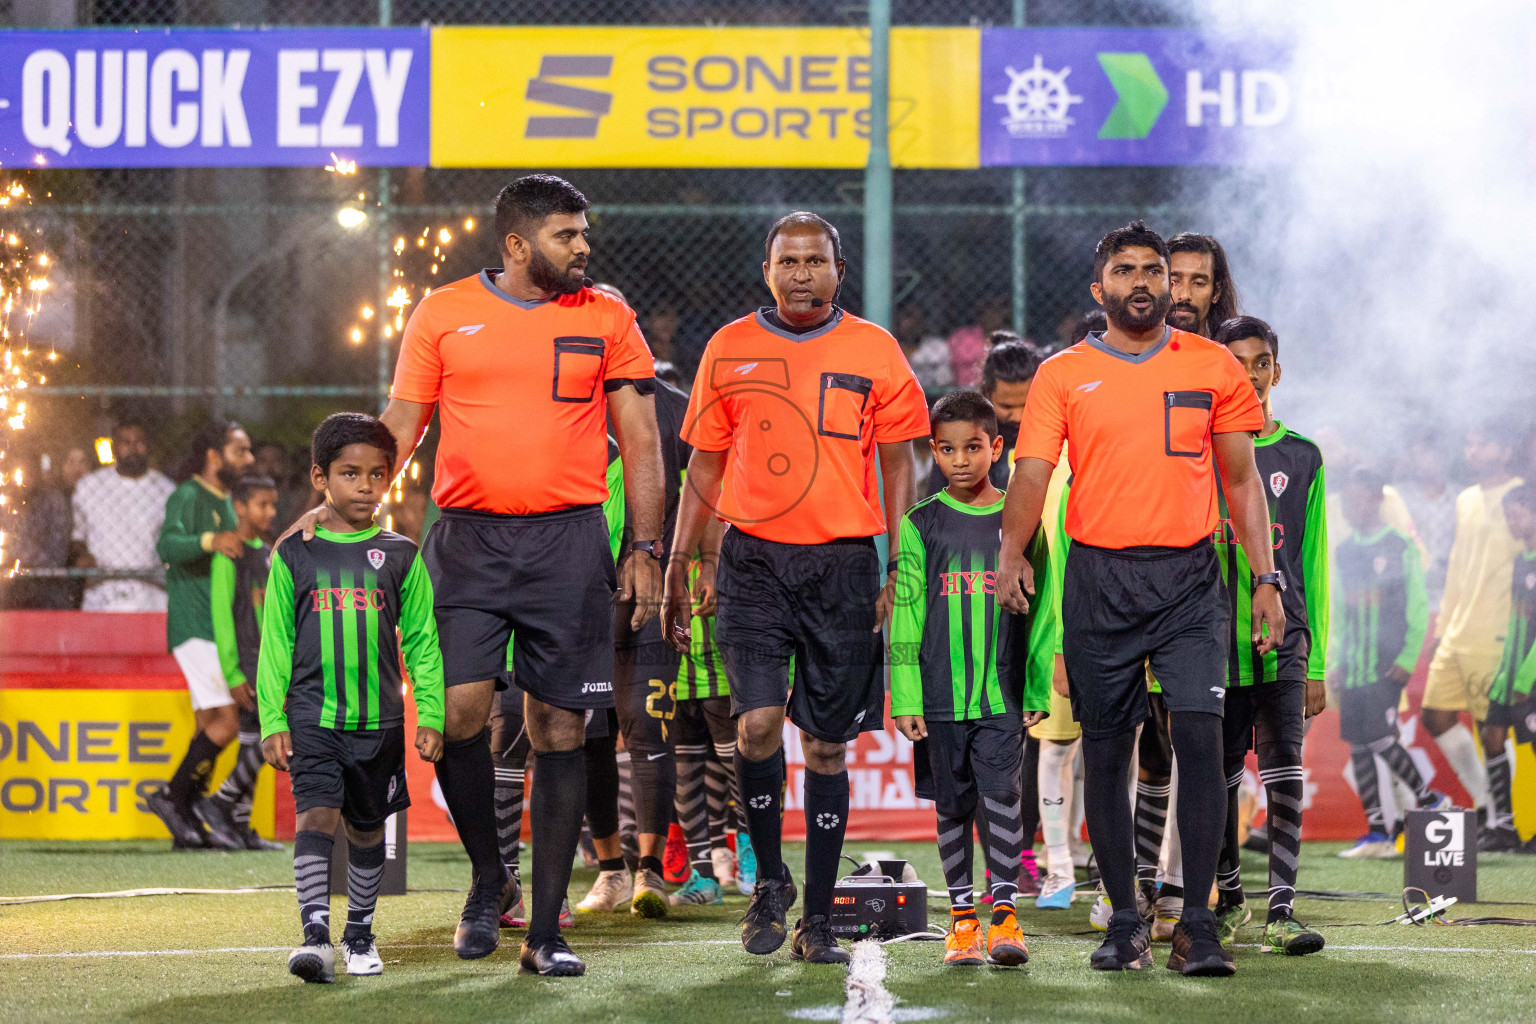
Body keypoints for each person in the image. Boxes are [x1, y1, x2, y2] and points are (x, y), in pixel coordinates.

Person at [295, 174, 665, 976]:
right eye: (567, 236)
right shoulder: (442, 312)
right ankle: (489, 878)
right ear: (517, 245)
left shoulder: (608, 315)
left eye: (583, 233)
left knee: (561, 730)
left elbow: (640, 437)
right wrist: (333, 507)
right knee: (459, 715)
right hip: (463, 543)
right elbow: (400, 426)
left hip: (569, 545)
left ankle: (545, 934)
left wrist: (646, 548)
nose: (583, 248)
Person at [997, 221, 1282, 977]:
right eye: (1126, 270)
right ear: (1101, 289)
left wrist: (1265, 581)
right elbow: (1030, 473)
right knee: (1109, 750)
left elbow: (1243, 481)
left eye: (1154, 269)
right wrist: (1009, 551)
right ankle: (1124, 920)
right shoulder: (1062, 373)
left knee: (1198, 739)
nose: (1144, 282)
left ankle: (1195, 923)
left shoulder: (1214, 365)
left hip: (1191, 581)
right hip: (1099, 580)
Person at [662, 211, 929, 964]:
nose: (801, 272)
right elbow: (704, 468)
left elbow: (902, 462)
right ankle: (769, 882)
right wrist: (683, 561)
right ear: (767, 269)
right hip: (751, 562)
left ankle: (817, 918)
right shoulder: (728, 346)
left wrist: (899, 560)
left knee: (826, 747)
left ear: (839, 271)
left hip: (843, 565)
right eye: (788, 259)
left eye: (815, 260)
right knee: (752, 726)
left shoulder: (874, 349)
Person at [256, 413, 446, 983]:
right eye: (349, 473)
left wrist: (430, 710)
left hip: (379, 721)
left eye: (377, 475)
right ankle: (315, 936)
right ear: (320, 478)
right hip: (314, 716)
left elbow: (421, 641)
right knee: (317, 814)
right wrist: (273, 716)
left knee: (367, 830)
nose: (365, 486)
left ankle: (359, 933)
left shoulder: (402, 556)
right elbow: (276, 643)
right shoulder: (296, 554)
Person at [890, 389, 1053, 967]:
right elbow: (906, 613)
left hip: (1001, 693)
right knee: (952, 807)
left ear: (997, 447)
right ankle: (961, 919)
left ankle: (1005, 918)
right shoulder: (919, 525)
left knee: (1002, 797)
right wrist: (904, 694)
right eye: (948, 449)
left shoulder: (1021, 520)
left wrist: (1036, 685)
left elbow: (1044, 611)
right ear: (934, 452)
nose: (961, 460)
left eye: (974, 447)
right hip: (937, 696)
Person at [1206, 316, 1329, 954]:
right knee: (1219, 776)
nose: (1251, 374)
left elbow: (1313, 564)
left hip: (1286, 641)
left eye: (1261, 363)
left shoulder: (1302, 455)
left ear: (1275, 371)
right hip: (1215, 643)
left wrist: (1316, 660)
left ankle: (1281, 908)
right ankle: (1229, 899)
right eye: (1238, 363)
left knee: (1285, 771)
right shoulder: (1201, 449)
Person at [573, 281, 692, 921]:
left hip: (652, 598)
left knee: (650, 731)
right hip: (579, 600)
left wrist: (687, 568)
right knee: (590, 735)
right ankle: (609, 869)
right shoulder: (565, 406)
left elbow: (704, 495)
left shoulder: (673, 409)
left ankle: (652, 872)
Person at [143, 419, 255, 847]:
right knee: (228, 721)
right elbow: (166, 547)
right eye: (239, 451)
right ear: (214, 456)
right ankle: (173, 798)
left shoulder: (228, 500)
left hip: (218, 628)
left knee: (208, 722)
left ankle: (184, 816)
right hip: (196, 625)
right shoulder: (188, 495)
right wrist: (210, 540)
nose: (248, 459)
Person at [1332, 466, 1451, 859]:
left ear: (1377, 499)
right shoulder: (1345, 550)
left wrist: (1407, 656)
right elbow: (1339, 608)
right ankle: (1379, 833)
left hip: (1386, 664)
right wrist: (1334, 658)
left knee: (1381, 738)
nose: (1350, 506)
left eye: (1358, 497)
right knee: (1359, 745)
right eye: (1346, 498)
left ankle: (1430, 799)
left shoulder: (1399, 547)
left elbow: (1418, 607)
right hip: (1352, 665)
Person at [1422, 420, 1524, 848]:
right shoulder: (1466, 498)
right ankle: (1487, 807)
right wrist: (1444, 624)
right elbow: (1459, 564)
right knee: (1435, 715)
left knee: (1492, 728)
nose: (1473, 450)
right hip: (1458, 628)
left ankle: (1503, 823)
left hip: (1497, 631)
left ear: (1503, 450)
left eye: (1482, 442)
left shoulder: (1522, 493)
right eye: (1470, 442)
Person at [195, 474, 284, 851]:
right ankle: (221, 800)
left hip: (267, 659)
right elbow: (221, 615)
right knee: (272, 737)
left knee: (254, 738)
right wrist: (231, 672)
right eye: (262, 504)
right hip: (246, 661)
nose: (270, 512)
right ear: (239, 507)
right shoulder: (229, 555)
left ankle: (240, 824)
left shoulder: (265, 553)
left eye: (273, 505)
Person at [668, 518, 752, 906]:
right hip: (674, 662)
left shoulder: (724, 487)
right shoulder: (672, 490)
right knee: (684, 770)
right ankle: (702, 875)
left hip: (721, 660)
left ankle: (753, 858)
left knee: (740, 765)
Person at [1480, 482, 1536, 852]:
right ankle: (1503, 827)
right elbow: (1519, 623)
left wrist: (1527, 676)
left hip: (1530, 676)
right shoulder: (1521, 560)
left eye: (1516, 514)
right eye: (1506, 516)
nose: (1511, 522)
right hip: (1512, 671)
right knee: (1491, 736)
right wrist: (1505, 673)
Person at [71, 420, 175, 611]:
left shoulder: (166, 490)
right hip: (102, 592)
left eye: (139, 442)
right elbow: (77, 537)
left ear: (148, 445)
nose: (133, 449)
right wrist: (83, 556)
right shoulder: (90, 486)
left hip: (151, 593)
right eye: (125, 442)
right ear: (113, 447)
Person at [925, 341, 1039, 498]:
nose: (1018, 416)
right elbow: (936, 497)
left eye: (1026, 405)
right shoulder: (960, 431)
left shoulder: (1047, 435)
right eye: (1007, 407)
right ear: (987, 392)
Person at [1166, 233, 1239, 339]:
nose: (1185, 295)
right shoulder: (1137, 353)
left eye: (1198, 283)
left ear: (1216, 292)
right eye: (1174, 281)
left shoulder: (1228, 354)